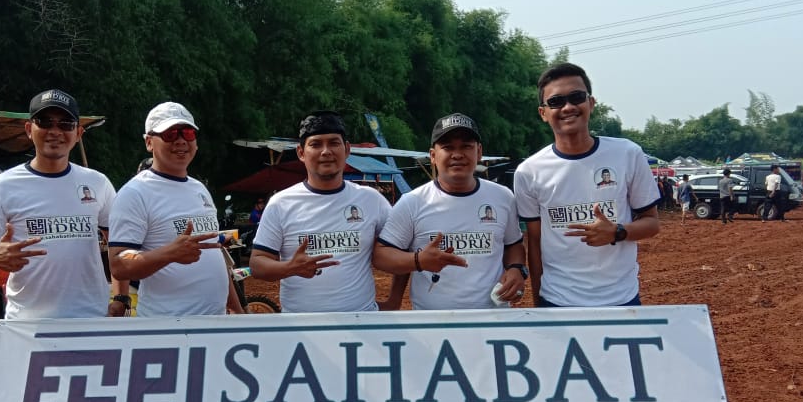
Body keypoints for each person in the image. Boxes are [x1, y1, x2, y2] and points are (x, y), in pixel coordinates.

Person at [0, 90, 125, 319]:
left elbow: (120, 249)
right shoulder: (1, 187)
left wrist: (120, 298)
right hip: (28, 324)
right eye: (45, 122)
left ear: (78, 133)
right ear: (29, 129)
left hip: (91, 318)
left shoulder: (98, 183)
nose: (55, 131)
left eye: (65, 124)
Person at [513, 62, 660, 307]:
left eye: (576, 97)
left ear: (591, 103)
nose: (568, 107)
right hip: (558, 301)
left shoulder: (627, 154)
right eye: (556, 101)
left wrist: (617, 232)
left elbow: (652, 223)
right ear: (543, 113)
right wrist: (539, 306)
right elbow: (535, 245)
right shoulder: (529, 172)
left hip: (621, 299)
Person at [250, 111, 405, 312]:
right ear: (301, 153)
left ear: (347, 149)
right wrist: (289, 268)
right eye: (316, 144)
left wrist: (394, 300)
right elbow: (258, 264)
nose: (326, 151)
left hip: (361, 321)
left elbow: (402, 247)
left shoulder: (371, 200)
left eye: (334, 143)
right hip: (302, 325)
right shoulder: (281, 204)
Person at [373, 112, 527, 309]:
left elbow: (513, 245)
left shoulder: (503, 197)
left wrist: (516, 269)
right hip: (433, 321)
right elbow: (381, 256)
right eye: (448, 147)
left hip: (492, 318)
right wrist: (418, 261)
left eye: (466, 146)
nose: (457, 155)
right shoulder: (413, 202)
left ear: (479, 152)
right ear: (433, 155)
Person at [108, 102, 243, 316]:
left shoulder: (199, 189)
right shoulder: (135, 193)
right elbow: (118, 264)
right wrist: (169, 254)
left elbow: (214, 254)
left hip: (215, 321)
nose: (181, 140)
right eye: (170, 134)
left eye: (187, 133)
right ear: (149, 142)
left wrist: (235, 308)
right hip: (168, 325)